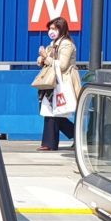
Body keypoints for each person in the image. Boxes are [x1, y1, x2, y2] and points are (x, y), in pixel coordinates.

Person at [37, 17, 81, 151]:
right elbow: (45, 60)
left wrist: (46, 57)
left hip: (63, 81)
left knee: (56, 111)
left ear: (61, 29)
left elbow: (62, 65)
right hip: (53, 81)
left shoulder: (66, 44)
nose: (51, 31)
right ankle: (51, 142)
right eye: (50, 28)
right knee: (50, 110)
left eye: (54, 28)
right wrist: (42, 58)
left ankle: (51, 143)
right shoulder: (53, 44)